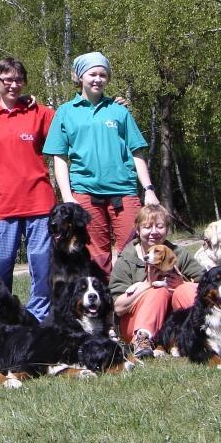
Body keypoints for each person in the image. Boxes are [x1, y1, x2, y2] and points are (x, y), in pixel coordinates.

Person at [43, 51, 159, 277]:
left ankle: (135, 306)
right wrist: (68, 196)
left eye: (102, 75)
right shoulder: (65, 112)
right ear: (79, 77)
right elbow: (59, 158)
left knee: (134, 252)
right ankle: (103, 308)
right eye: (92, 74)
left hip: (124, 192)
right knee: (97, 257)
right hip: (85, 194)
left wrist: (149, 189)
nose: (97, 79)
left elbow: (137, 152)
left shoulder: (119, 110)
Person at [0, 58, 55, 321]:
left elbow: (73, 128)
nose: (13, 85)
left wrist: (111, 102)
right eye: (7, 80)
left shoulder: (39, 113)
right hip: (1, 205)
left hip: (40, 202)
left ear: (25, 82)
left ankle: (38, 320)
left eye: (18, 80)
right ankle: (0, 319)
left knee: (42, 265)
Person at [109, 204, 204, 357]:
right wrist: (147, 284)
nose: (154, 232)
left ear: (167, 229)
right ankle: (142, 340)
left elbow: (208, 286)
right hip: (135, 323)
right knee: (158, 291)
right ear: (138, 230)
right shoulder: (126, 259)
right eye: (147, 227)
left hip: (174, 323)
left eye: (159, 226)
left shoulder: (179, 253)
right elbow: (118, 307)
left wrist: (182, 283)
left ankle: (209, 332)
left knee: (185, 289)